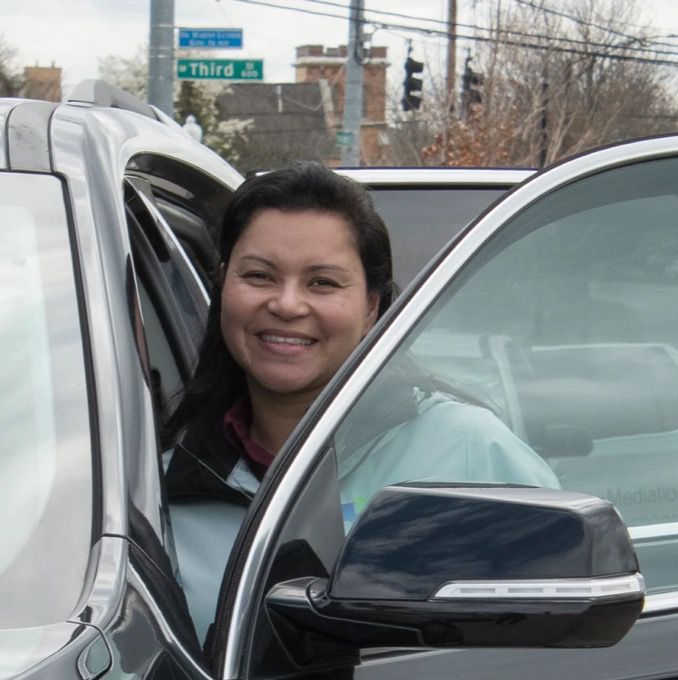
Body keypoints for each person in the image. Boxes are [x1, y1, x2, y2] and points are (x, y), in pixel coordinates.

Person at [164, 162, 558, 644]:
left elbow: (549, 653)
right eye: (260, 276)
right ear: (223, 286)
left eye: (322, 283)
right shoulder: (158, 484)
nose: (287, 305)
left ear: (373, 305)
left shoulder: (469, 452)